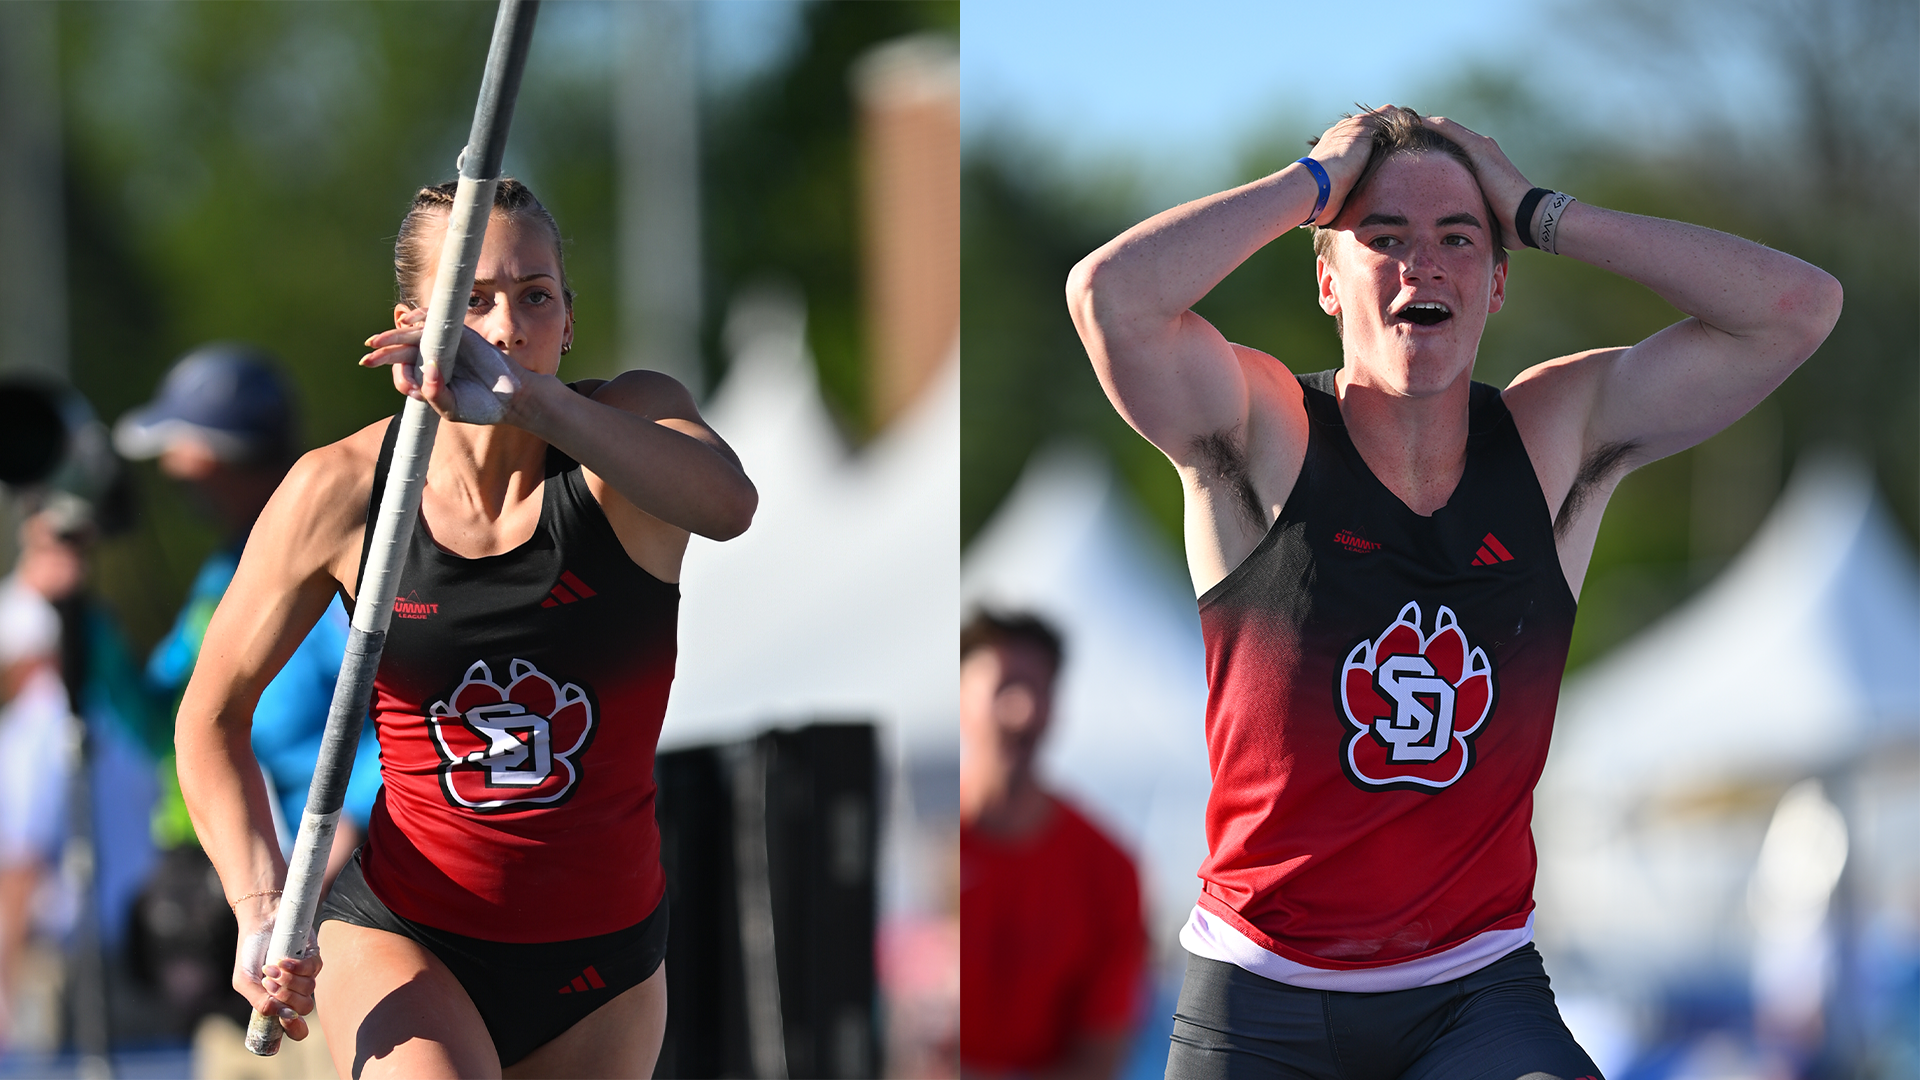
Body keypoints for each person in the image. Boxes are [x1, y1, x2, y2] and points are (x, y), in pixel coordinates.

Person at [1067, 107, 1841, 1079]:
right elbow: (1111, 297)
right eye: (1382, 239)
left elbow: (1796, 309)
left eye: (1458, 240)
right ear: (1327, 279)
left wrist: (1540, 209)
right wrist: (1310, 182)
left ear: (1497, 281)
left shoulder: (1554, 435)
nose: (1421, 266)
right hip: (1259, 993)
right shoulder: (1264, 433)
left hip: (1474, 996)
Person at [175, 177, 756, 1078]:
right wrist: (258, 906)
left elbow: (730, 506)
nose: (505, 327)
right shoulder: (338, 491)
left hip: (607, 962)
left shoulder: (631, 434)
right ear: (412, 324)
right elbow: (209, 718)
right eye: (471, 300)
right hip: (408, 936)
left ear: (569, 320)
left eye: (535, 296)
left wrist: (535, 403)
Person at [116, 345, 382, 883]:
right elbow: (160, 709)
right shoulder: (224, 569)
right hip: (241, 865)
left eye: (186, 458)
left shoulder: (328, 568)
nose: (173, 472)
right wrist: (76, 618)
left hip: (322, 872)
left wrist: (343, 838)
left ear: (225, 458)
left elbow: (389, 704)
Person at [960, 609, 1145, 1080]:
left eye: (1039, 689)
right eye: (1005, 686)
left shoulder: (1109, 870)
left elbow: (1100, 1060)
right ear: (960, 696)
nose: (1023, 711)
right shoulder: (906, 847)